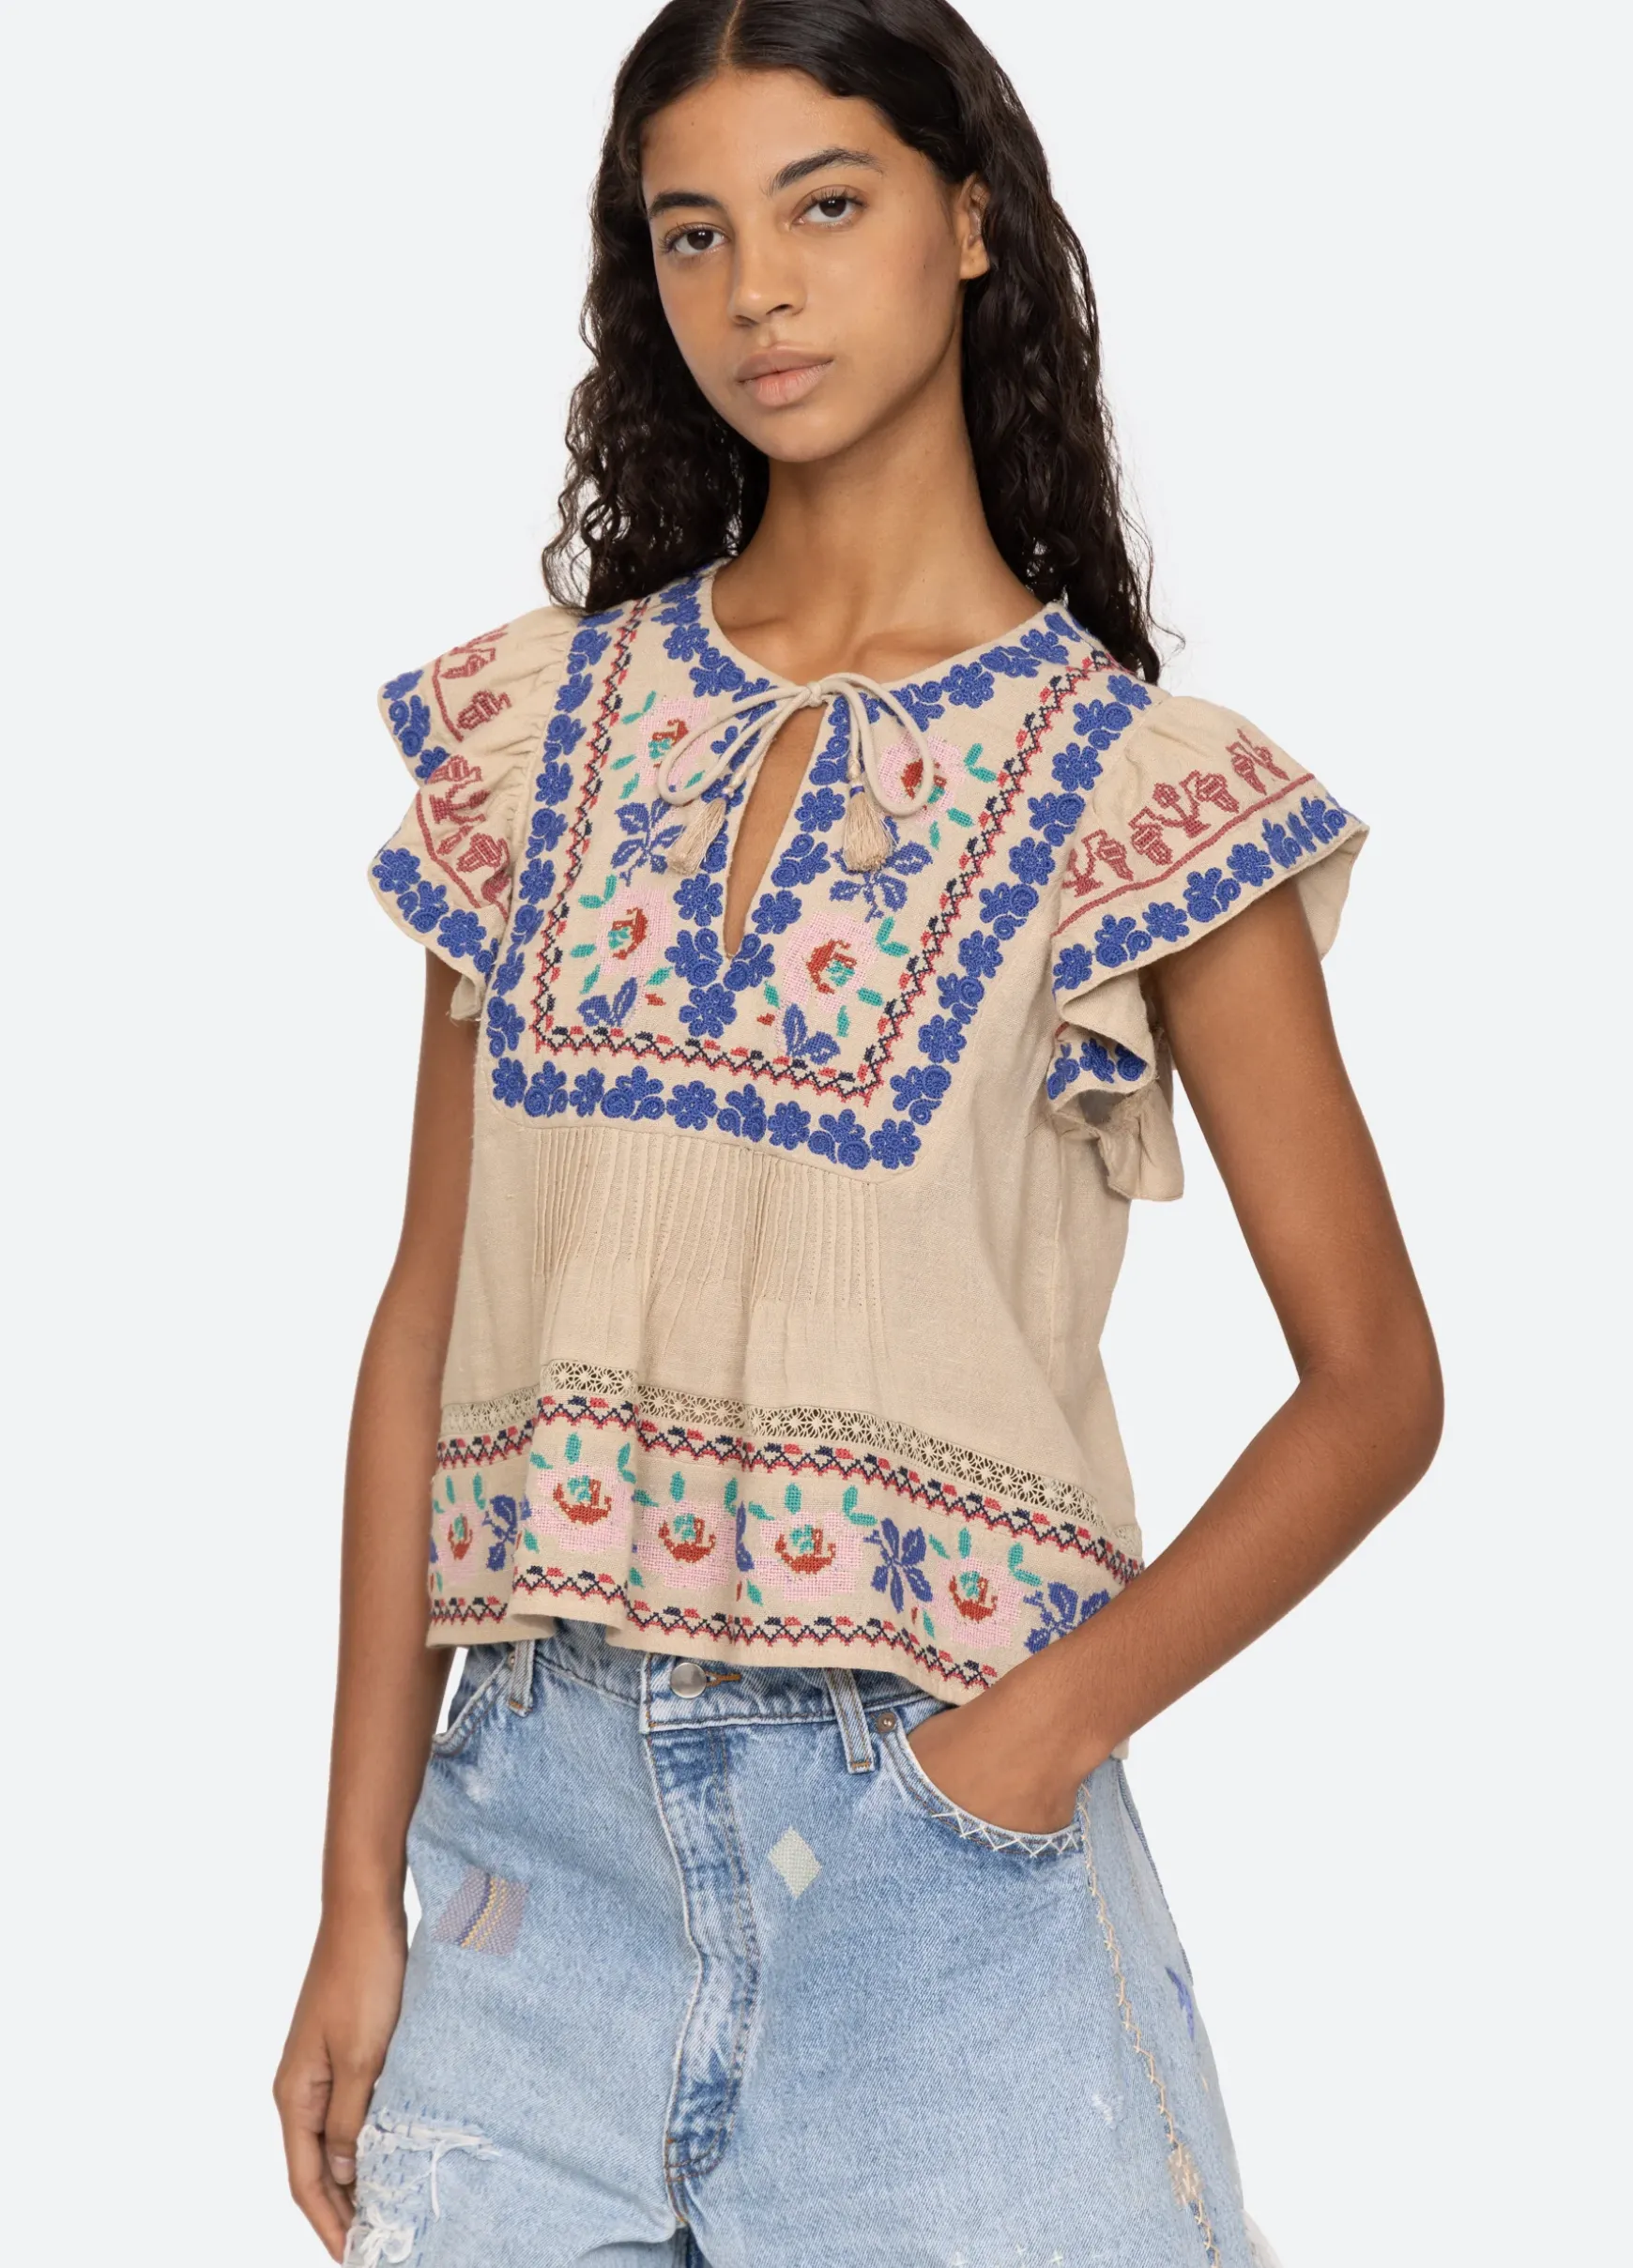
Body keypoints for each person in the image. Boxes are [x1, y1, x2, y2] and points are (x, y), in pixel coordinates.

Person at [275, 3, 1442, 2261]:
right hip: (529, 1903)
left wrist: (1019, 1743)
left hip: (936, 1888)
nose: (759, 290)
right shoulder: (534, 737)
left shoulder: (1141, 795)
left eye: (827, 204)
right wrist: (353, 1883)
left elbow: (1376, 1381)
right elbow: (428, 1316)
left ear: (971, 220)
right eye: (693, 233)